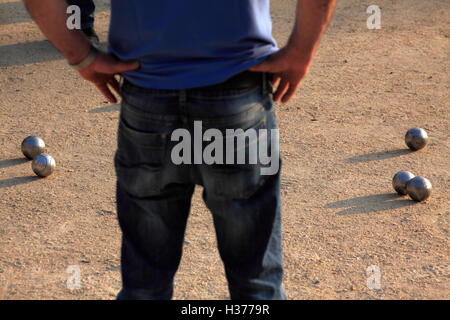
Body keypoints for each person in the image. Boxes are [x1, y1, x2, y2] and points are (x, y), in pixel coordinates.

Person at [23, 0, 336, 300]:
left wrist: (82, 55)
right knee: (256, 285)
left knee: (145, 286)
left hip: (149, 96)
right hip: (236, 94)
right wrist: (301, 49)